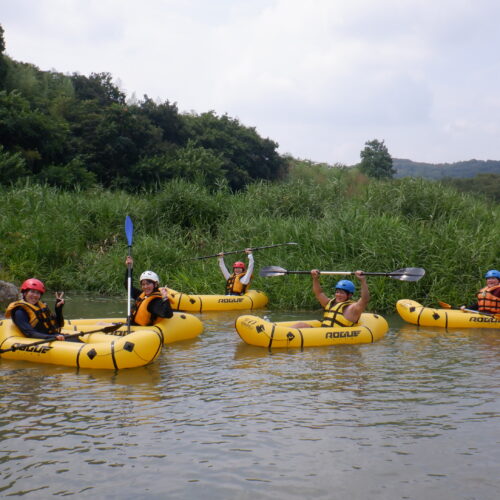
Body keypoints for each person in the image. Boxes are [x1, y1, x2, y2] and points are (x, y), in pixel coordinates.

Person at [292, 270, 370, 328]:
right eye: (337, 292)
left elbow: (365, 299)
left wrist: (363, 281)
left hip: (335, 335)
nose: (338, 295)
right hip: (322, 333)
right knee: (301, 325)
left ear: (349, 295)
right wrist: (315, 278)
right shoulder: (329, 303)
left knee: (301, 325)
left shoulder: (352, 308)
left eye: (342, 293)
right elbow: (318, 293)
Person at [125, 256, 173, 325]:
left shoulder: (154, 301)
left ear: (155, 284)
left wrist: (165, 297)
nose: (145, 287)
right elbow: (128, 287)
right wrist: (129, 268)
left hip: (141, 332)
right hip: (133, 326)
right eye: (143, 284)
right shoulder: (143, 295)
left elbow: (168, 314)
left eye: (148, 284)